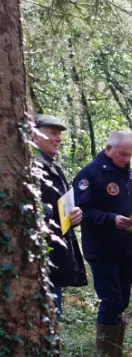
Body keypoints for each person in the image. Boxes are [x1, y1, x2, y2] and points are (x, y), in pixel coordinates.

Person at [73, 131, 132, 357]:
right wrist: (111, 219)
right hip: (101, 249)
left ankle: (117, 355)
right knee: (111, 300)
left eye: (129, 155)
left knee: (122, 301)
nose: (126, 159)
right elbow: (83, 211)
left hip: (126, 249)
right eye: (122, 154)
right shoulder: (89, 174)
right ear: (108, 149)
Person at [32, 114, 87, 316]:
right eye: (52, 133)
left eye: (59, 134)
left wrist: (74, 216)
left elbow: (59, 207)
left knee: (53, 316)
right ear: (34, 135)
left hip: (55, 253)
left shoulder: (53, 167)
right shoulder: (31, 166)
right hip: (40, 256)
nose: (59, 139)